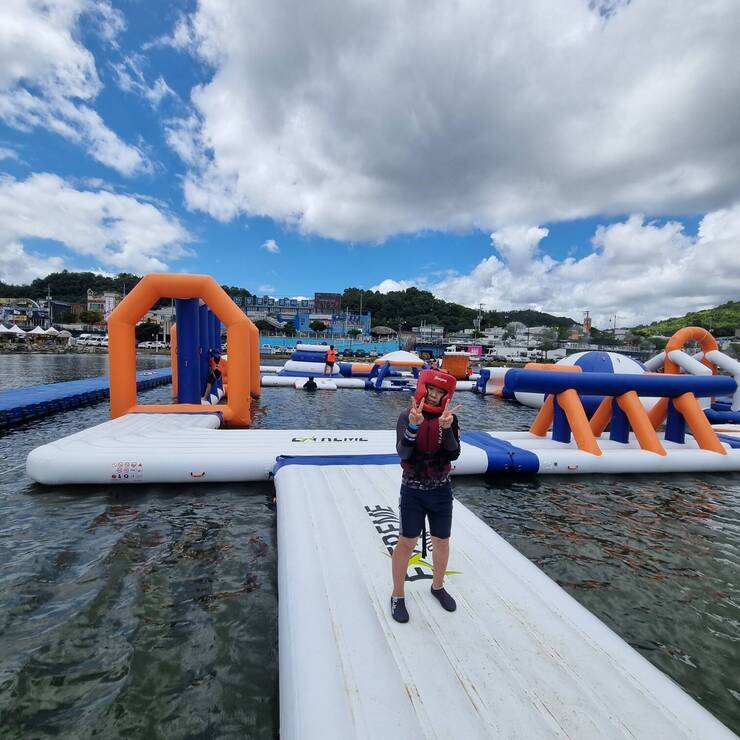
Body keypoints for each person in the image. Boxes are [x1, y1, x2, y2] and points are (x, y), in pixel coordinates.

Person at [391, 369, 462, 623]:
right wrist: (413, 426)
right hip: (413, 490)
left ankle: (438, 586)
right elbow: (403, 453)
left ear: (446, 395)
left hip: (441, 490)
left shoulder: (449, 418)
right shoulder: (406, 416)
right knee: (406, 542)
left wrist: (448, 428)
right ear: (423, 389)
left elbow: (454, 454)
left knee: (442, 541)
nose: (433, 395)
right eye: (431, 389)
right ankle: (397, 595)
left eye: (439, 391)